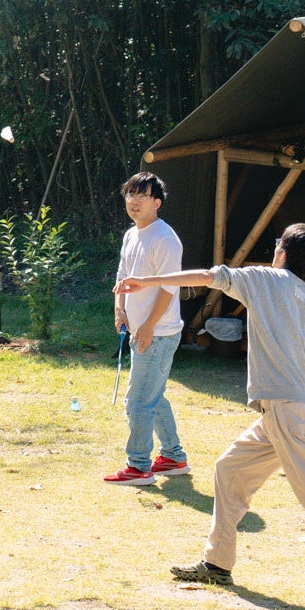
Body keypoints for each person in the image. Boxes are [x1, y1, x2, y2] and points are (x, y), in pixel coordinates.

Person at [117, 222, 305, 605]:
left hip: (282, 410)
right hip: (285, 412)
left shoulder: (264, 278)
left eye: (277, 243)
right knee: (229, 469)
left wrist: (146, 280)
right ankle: (218, 564)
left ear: (282, 251)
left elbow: (208, 276)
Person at [103, 171, 188, 485]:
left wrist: (149, 326)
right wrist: (120, 310)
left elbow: (169, 288)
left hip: (160, 333)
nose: (134, 202)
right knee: (154, 395)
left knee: (138, 401)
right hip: (140, 329)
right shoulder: (131, 234)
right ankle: (173, 457)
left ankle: (138, 467)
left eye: (141, 196)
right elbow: (122, 275)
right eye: (130, 195)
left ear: (157, 202)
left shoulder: (164, 238)